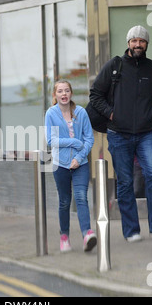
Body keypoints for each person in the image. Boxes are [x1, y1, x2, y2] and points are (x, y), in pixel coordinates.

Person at [89, 25, 152, 242]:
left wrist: (151, 114)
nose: (138, 44)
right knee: (125, 182)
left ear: (147, 44)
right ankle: (131, 230)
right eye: (134, 41)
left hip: (146, 133)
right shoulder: (114, 66)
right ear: (128, 43)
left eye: (142, 41)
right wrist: (111, 114)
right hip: (118, 134)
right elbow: (95, 95)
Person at [45, 80, 96, 252]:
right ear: (55, 95)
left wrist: (80, 157)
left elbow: (89, 138)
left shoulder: (81, 112)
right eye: (60, 91)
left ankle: (87, 234)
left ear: (71, 93)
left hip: (80, 163)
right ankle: (64, 236)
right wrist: (74, 141)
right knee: (65, 201)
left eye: (67, 90)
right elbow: (51, 140)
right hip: (61, 164)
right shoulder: (51, 114)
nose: (64, 94)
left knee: (81, 197)